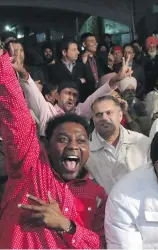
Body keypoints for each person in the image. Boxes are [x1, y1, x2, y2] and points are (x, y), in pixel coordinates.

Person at [0, 50, 107, 248]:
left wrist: (66, 225)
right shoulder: (30, 168)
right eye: (63, 139)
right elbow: (17, 118)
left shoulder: (97, 194)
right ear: (47, 146)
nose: (73, 145)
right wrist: (4, 69)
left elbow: (100, 245)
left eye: (81, 140)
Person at [19, 54, 133, 136]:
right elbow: (35, 95)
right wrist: (24, 73)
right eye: (67, 93)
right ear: (57, 96)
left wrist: (115, 80)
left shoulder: (79, 113)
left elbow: (94, 97)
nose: (71, 97)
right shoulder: (48, 110)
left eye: (74, 95)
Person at [86, 95, 151, 194]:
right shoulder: (86, 151)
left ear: (120, 115)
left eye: (109, 113)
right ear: (93, 119)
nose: (104, 118)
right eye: (98, 114)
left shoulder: (142, 142)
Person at [80, 33, 103, 102]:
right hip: (86, 98)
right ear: (84, 44)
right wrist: (83, 61)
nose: (95, 43)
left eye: (95, 41)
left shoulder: (98, 59)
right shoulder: (79, 59)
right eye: (91, 41)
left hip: (100, 95)